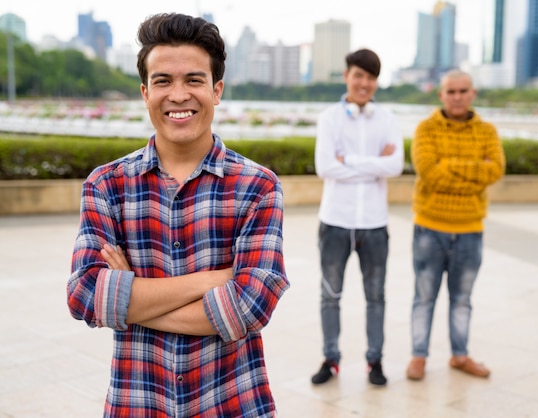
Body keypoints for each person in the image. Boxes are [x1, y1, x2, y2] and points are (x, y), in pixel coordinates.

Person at [66, 13, 290, 417]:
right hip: (138, 402)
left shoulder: (257, 187)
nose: (178, 94)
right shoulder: (107, 186)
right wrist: (212, 280)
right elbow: (84, 296)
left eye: (194, 80)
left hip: (232, 402)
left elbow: (252, 306)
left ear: (217, 90)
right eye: (163, 81)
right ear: (145, 92)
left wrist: (129, 298)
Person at [311, 49, 405, 386]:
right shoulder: (329, 118)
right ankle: (330, 358)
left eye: (371, 77)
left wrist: (348, 161)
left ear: (376, 81)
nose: (364, 83)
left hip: (375, 224)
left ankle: (375, 361)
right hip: (335, 220)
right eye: (358, 75)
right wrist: (372, 163)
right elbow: (325, 167)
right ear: (347, 76)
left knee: (376, 296)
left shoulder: (388, 119)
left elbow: (395, 166)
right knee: (330, 295)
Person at [405, 69, 505, 381]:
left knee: (462, 299)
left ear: (473, 94)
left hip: (470, 229)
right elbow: (429, 172)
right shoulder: (426, 128)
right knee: (424, 296)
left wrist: (448, 166)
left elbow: (496, 170)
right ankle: (418, 356)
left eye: (463, 91)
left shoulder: (487, 131)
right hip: (429, 228)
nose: (457, 97)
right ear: (442, 94)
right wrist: (474, 172)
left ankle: (460, 356)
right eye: (452, 91)